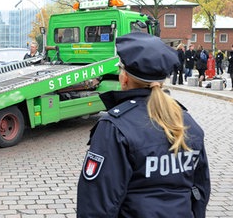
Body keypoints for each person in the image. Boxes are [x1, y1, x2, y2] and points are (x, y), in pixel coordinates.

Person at [77, 32, 210, 217]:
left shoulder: (115, 128)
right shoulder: (187, 122)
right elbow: (200, 192)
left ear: (124, 78)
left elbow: (96, 204)